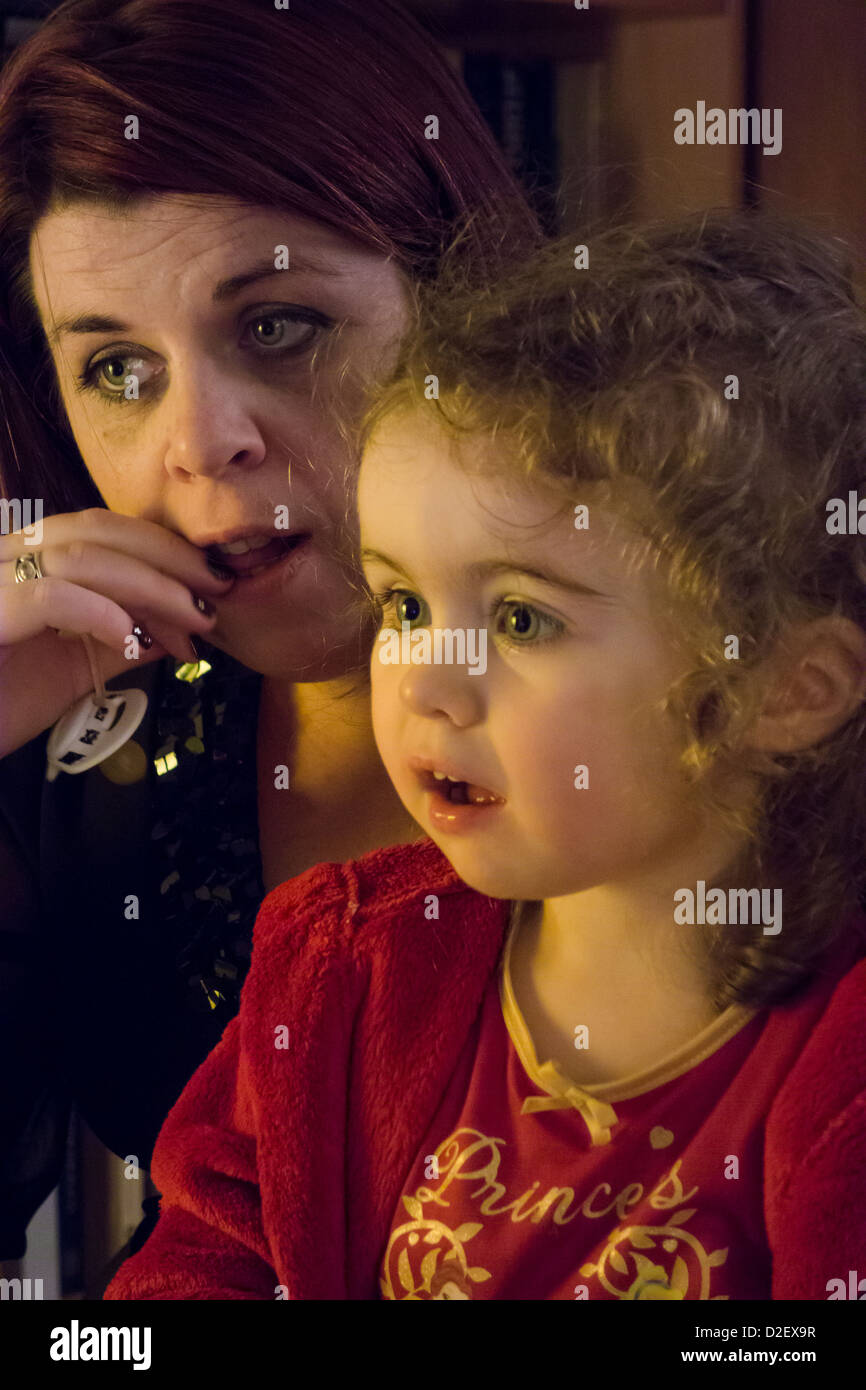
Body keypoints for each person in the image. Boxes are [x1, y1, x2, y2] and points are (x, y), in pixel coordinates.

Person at [105, 209, 866, 1301]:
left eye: (518, 621)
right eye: (405, 603)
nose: (421, 678)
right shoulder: (339, 960)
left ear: (784, 689)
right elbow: (205, 1259)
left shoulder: (833, 1054)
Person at [0, 0, 540, 1274]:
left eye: (278, 325)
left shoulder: (709, 689)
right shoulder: (84, 731)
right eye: (118, 372)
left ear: (462, 292)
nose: (198, 442)